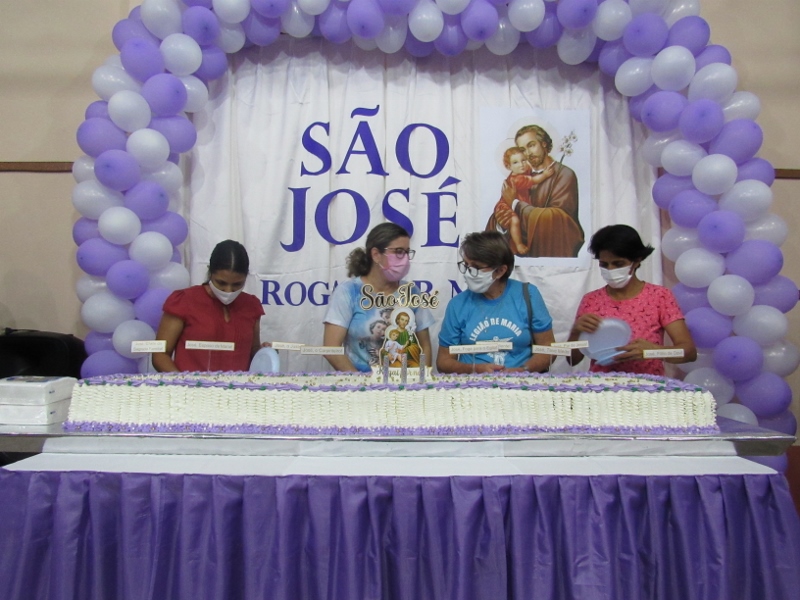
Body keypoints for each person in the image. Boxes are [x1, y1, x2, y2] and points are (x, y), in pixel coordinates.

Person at [567, 224, 697, 375]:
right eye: (604, 264)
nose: (610, 270)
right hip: (601, 386)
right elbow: (572, 360)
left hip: (648, 386)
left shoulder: (660, 296)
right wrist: (575, 332)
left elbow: (689, 352)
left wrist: (653, 351)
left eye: (618, 264)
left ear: (636, 260)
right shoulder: (591, 300)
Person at [437, 231, 556, 374]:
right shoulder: (457, 305)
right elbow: (443, 361)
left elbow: (548, 348)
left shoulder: (528, 295)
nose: (468, 273)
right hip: (473, 385)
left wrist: (522, 371)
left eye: (476, 267)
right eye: (466, 265)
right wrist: (475, 369)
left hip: (522, 383)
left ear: (500, 271)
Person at [323, 222, 434, 372]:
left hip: (404, 382)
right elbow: (331, 348)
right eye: (398, 251)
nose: (405, 259)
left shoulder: (411, 292)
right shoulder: (349, 291)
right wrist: (360, 382)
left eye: (407, 252)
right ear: (376, 255)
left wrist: (422, 380)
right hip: (359, 382)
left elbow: (424, 345)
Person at [153, 240, 266, 372]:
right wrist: (183, 381)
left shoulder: (251, 305)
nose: (228, 290)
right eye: (221, 283)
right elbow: (160, 355)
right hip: (189, 384)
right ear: (210, 272)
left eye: (237, 284)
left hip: (237, 385)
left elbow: (252, 351)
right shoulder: (184, 301)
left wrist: (265, 354)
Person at [486, 124, 584, 257]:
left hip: (548, 251)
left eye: (531, 145)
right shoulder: (522, 176)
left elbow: (560, 220)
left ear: (544, 144)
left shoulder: (563, 175)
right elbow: (500, 212)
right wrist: (501, 224)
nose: (528, 153)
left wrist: (515, 204)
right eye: (522, 149)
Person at [493, 146, 555, 256]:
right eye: (515, 162)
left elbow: (529, 170)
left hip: (515, 204)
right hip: (504, 206)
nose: (521, 164)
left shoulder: (521, 173)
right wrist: (545, 174)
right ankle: (519, 245)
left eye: (523, 160)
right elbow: (534, 180)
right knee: (515, 221)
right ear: (509, 166)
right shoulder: (517, 179)